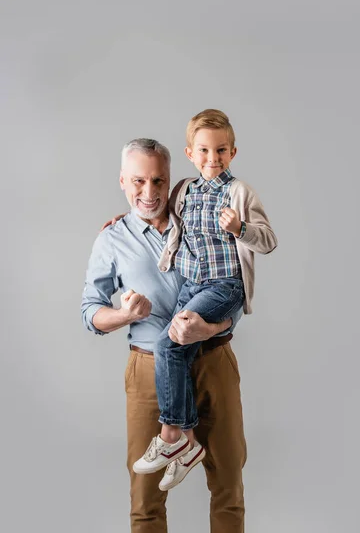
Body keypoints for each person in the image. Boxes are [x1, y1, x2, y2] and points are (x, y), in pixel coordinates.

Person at [81, 138, 249, 532]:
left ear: (172, 181)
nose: (150, 192)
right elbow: (90, 312)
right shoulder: (111, 239)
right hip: (148, 369)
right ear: (123, 181)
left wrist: (208, 328)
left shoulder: (200, 220)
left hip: (212, 360)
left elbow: (233, 292)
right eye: (138, 181)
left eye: (159, 181)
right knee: (146, 499)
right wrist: (123, 315)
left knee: (229, 486)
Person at [132, 109, 277, 493]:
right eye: (204, 151)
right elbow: (157, 216)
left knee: (167, 343)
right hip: (190, 286)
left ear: (233, 152)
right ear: (190, 154)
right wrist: (122, 219)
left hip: (223, 285)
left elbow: (268, 241)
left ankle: (172, 436)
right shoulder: (183, 190)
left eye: (221, 151)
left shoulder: (239, 192)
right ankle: (190, 446)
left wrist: (240, 228)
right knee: (176, 350)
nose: (213, 159)